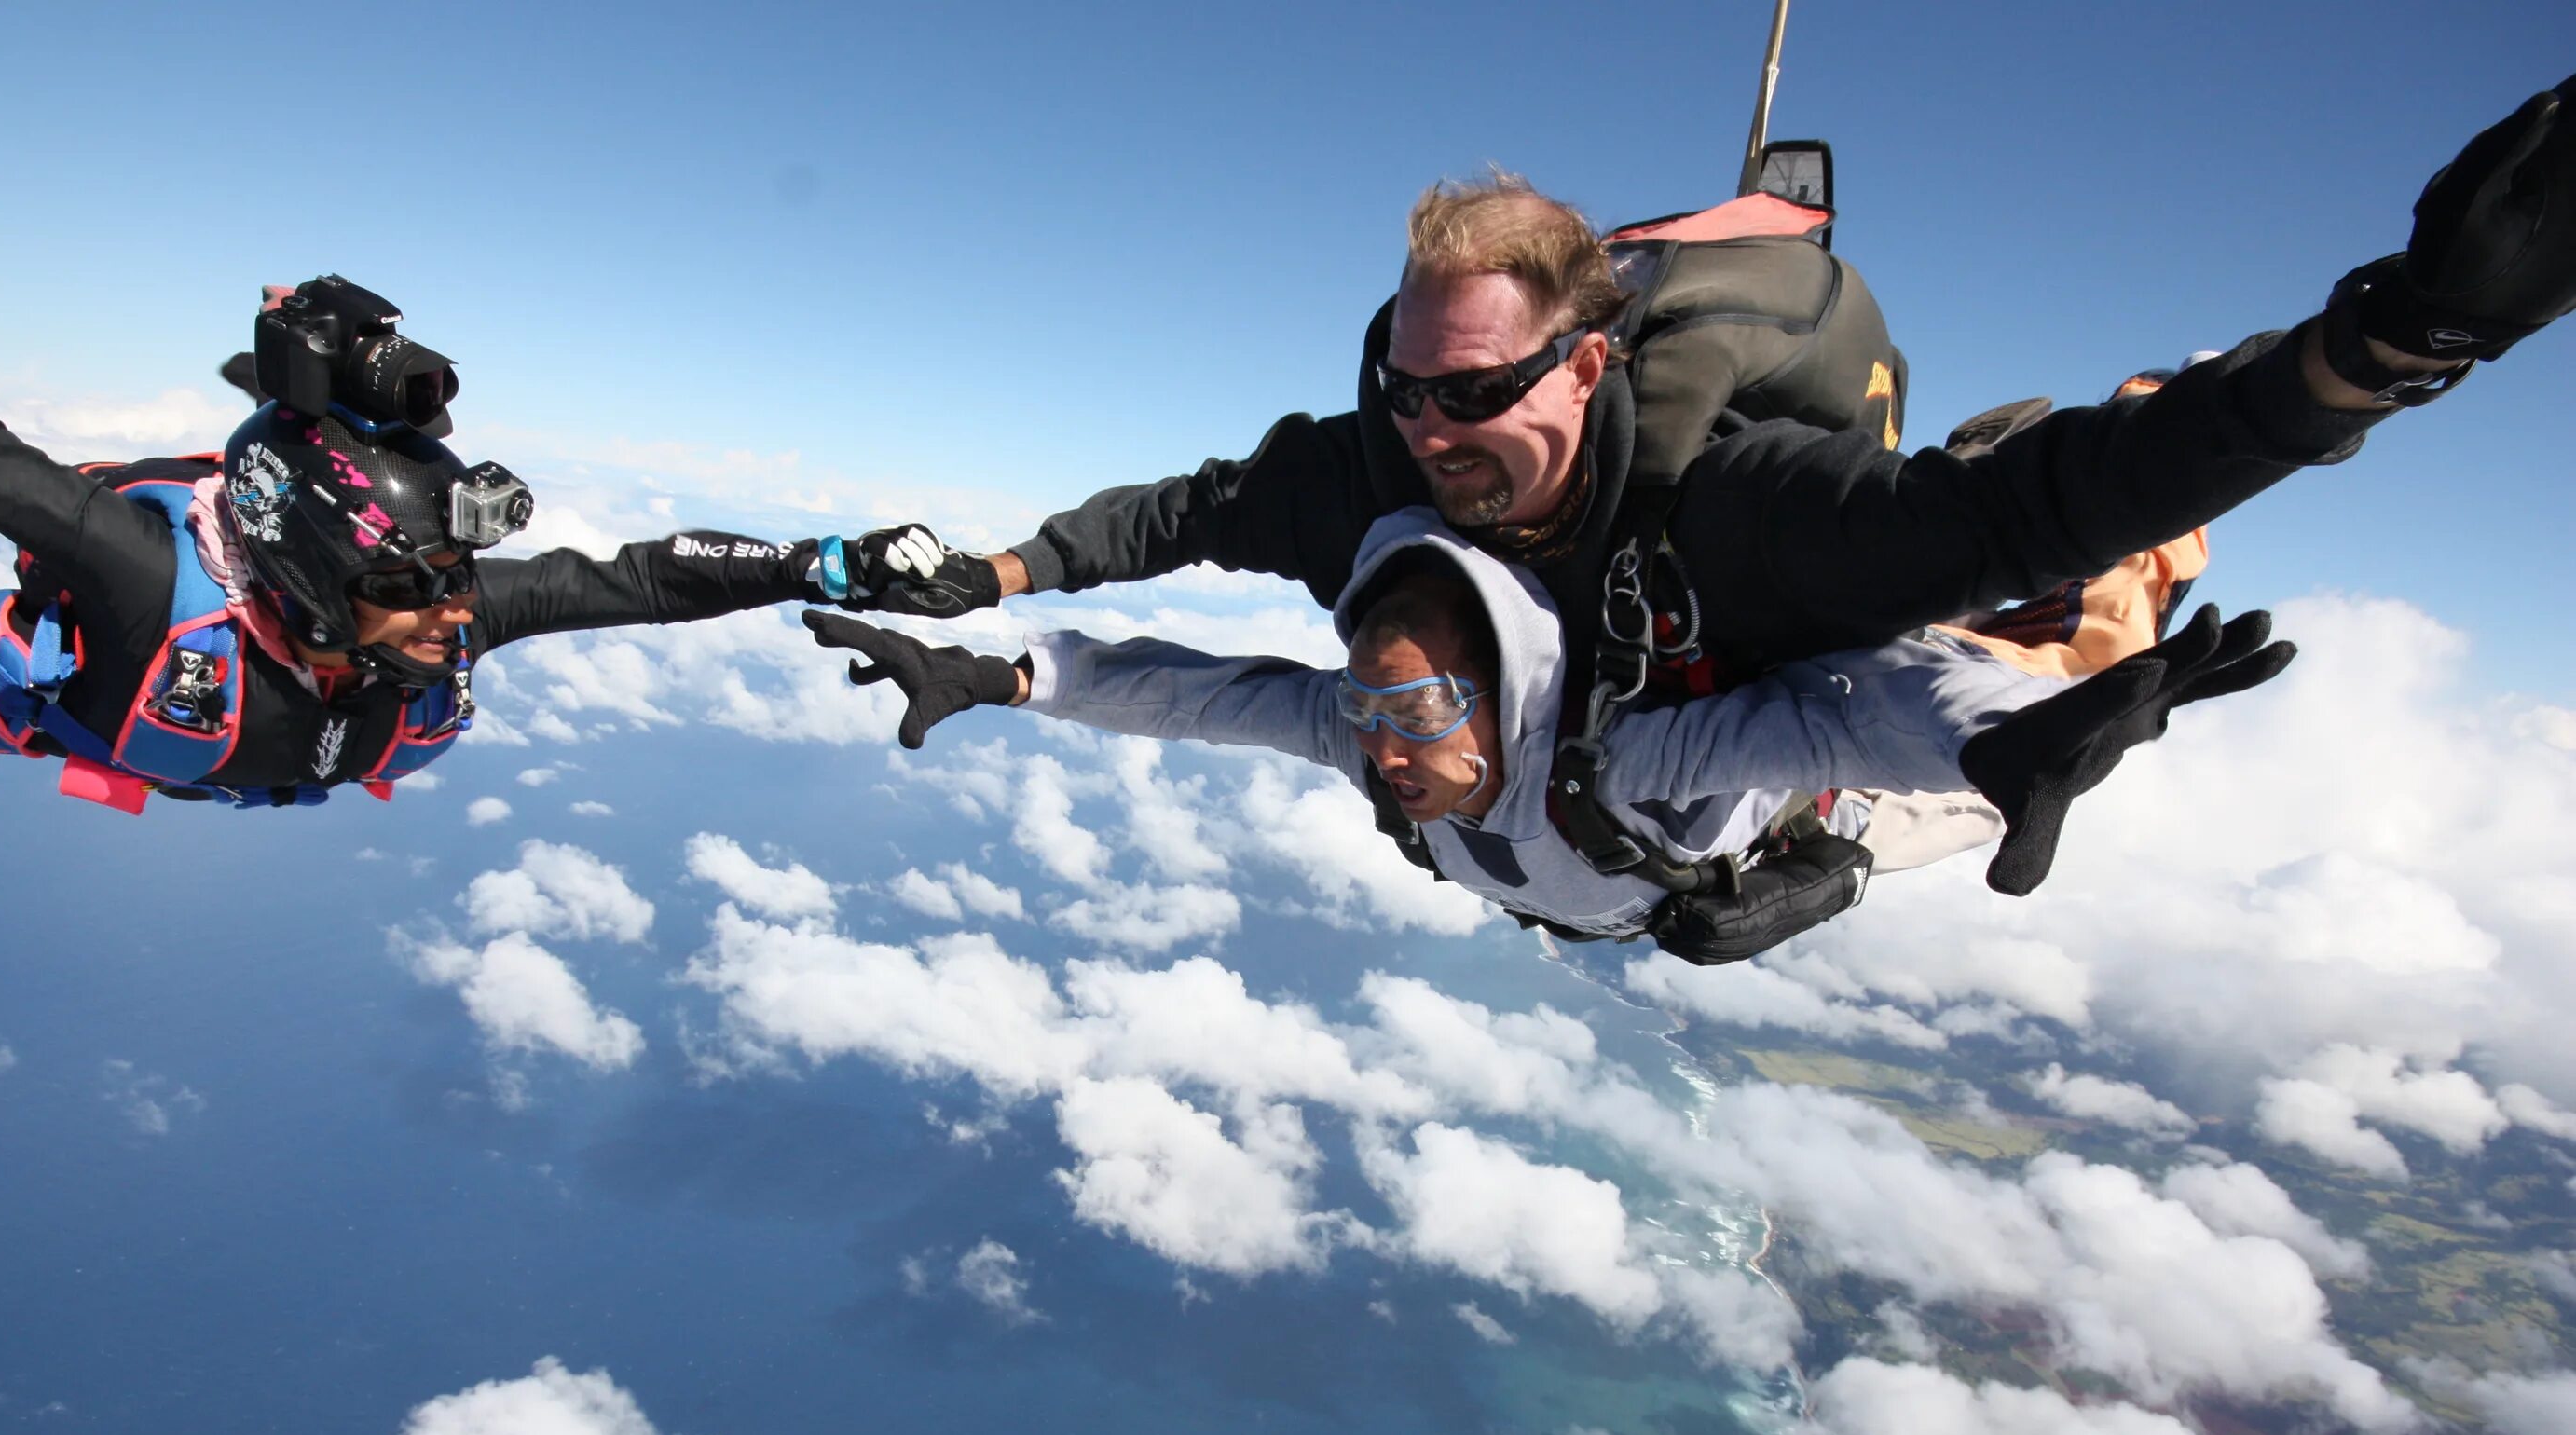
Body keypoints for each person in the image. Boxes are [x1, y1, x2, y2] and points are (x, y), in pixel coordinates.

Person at [857, 74, 2574, 699]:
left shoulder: (1733, 508)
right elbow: (1188, 512)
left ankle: (2160, 395)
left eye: (1480, 394)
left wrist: (2385, 347)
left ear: (1587, 364)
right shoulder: (1373, 460)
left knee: (2057, 577)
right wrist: (1000, 573)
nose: (1438, 437)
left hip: (1809, 608)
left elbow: (2035, 511)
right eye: (1408, 389)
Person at [804, 512, 2290, 959]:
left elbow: (1852, 712)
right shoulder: (1364, 732)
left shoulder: (1622, 754)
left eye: (1409, 712)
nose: (1376, 745)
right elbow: (1193, 691)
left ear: (1496, 692)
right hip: (1634, 886)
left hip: (1850, 808)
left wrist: (2002, 751)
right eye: (1367, 705)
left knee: (2068, 653)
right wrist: (1003, 678)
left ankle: (2142, 542)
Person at [0, 271, 964, 811]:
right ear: (297, 572)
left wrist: (824, 562)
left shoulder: (445, 623)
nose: (457, 610)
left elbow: (642, 577)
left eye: (453, 575)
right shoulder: (140, 583)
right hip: (87, 692)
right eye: (411, 585)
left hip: (204, 735)